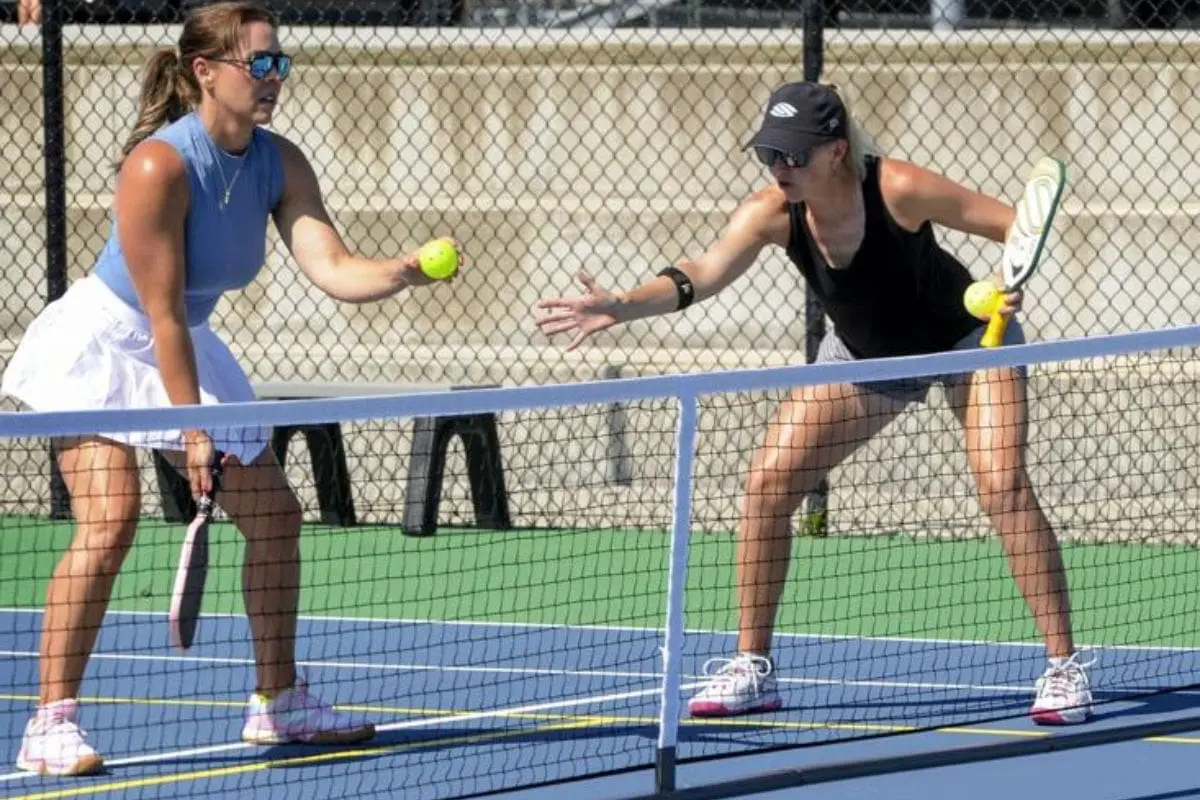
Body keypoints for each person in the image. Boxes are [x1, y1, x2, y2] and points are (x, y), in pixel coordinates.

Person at [535, 81, 1092, 726]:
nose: (780, 167)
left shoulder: (899, 188)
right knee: (768, 484)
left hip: (965, 340)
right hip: (862, 357)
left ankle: (1063, 667)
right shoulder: (771, 210)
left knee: (1002, 486)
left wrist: (1006, 282)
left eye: (793, 155)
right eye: (770, 153)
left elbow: (1015, 226)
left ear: (836, 150)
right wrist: (622, 305)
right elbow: (703, 272)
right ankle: (754, 668)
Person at [3, 0, 454, 776]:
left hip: (185, 341)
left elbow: (333, 267)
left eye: (281, 63)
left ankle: (277, 702)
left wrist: (402, 272)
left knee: (276, 518)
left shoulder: (281, 161)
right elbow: (163, 313)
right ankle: (51, 722)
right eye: (261, 64)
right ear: (206, 72)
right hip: (106, 344)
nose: (276, 78)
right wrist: (194, 432)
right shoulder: (158, 165)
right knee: (111, 521)